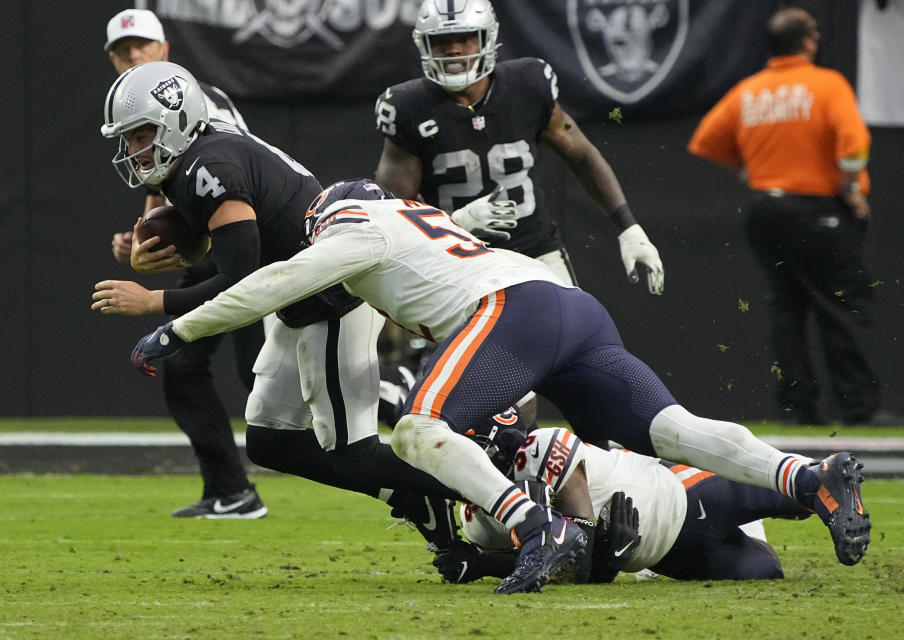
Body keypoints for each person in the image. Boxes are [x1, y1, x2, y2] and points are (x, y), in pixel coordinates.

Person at [127, 179, 871, 594]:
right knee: (671, 431)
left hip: (516, 310)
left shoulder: (354, 225)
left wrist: (176, 327)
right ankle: (811, 479)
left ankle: (532, 525)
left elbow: (283, 279)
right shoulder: (406, 222)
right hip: (565, 308)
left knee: (419, 429)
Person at [91, 62, 481, 557]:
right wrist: (177, 258)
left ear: (176, 120)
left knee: (354, 454)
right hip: (299, 299)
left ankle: (504, 498)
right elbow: (241, 250)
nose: (133, 150)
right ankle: (416, 496)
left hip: (332, 296)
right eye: (126, 139)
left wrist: (154, 303)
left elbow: (242, 277)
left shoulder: (209, 166)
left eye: (140, 134)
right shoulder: (199, 157)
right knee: (270, 443)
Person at [373, 0, 664, 426]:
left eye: (464, 38)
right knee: (507, 386)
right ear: (425, 47)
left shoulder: (528, 82)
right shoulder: (408, 106)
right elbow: (395, 218)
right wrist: (459, 223)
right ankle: (505, 480)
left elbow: (581, 155)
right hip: (459, 263)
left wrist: (629, 227)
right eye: (442, 41)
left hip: (536, 253)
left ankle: (600, 469)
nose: (454, 50)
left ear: (487, 39)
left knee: (588, 366)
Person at [688, 8, 896, 426]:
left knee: (787, 309)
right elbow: (854, 144)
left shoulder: (749, 91)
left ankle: (798, 408)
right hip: (817, 212)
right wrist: (852, 190)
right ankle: (858, 408)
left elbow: (706, 140)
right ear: (808, 43)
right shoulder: (826, 84)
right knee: (841, 307)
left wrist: (750, 171)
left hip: (767, 211)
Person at [103, 8, 267, 518]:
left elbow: (210, 178)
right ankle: (231, 489)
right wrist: (141, 239)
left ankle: (431, 423)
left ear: (165, 50)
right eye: (122, 50)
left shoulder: (193, 102)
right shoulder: (138, 113)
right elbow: (164, 185)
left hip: (252, 246)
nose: (133, 55)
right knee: (184, 365)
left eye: (142, 46)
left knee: (266, 379)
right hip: (217, 252)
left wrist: (154, 269)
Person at [434, 418, 816, 585]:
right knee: (765, 571)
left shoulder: (541, 449)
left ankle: (826, 479)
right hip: (661, 550)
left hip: (676, 490)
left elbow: (575, 558)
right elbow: (560, 569)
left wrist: (484, 565)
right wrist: (486, 563)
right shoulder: (476, 520)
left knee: (801, 495)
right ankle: (753, 526)